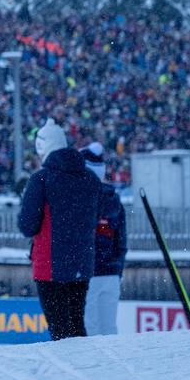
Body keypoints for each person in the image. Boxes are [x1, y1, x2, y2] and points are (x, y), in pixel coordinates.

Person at [19, 119, 102, 340]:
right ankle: (85, 370)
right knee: (76, 324)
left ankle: (70, 372)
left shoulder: (41, 180)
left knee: (59, 329)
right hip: (81, 263)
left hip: (50, 265)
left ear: (41, 148)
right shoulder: (90, 178)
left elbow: (27, 226)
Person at [81, 142, 127, 335]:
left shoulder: (81, 200)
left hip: (88, 274)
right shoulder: (114, 200)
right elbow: (121, 242)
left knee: (89, 330)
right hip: (111, 273)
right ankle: (112, 366)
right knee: (109, 329)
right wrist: (118, 269)